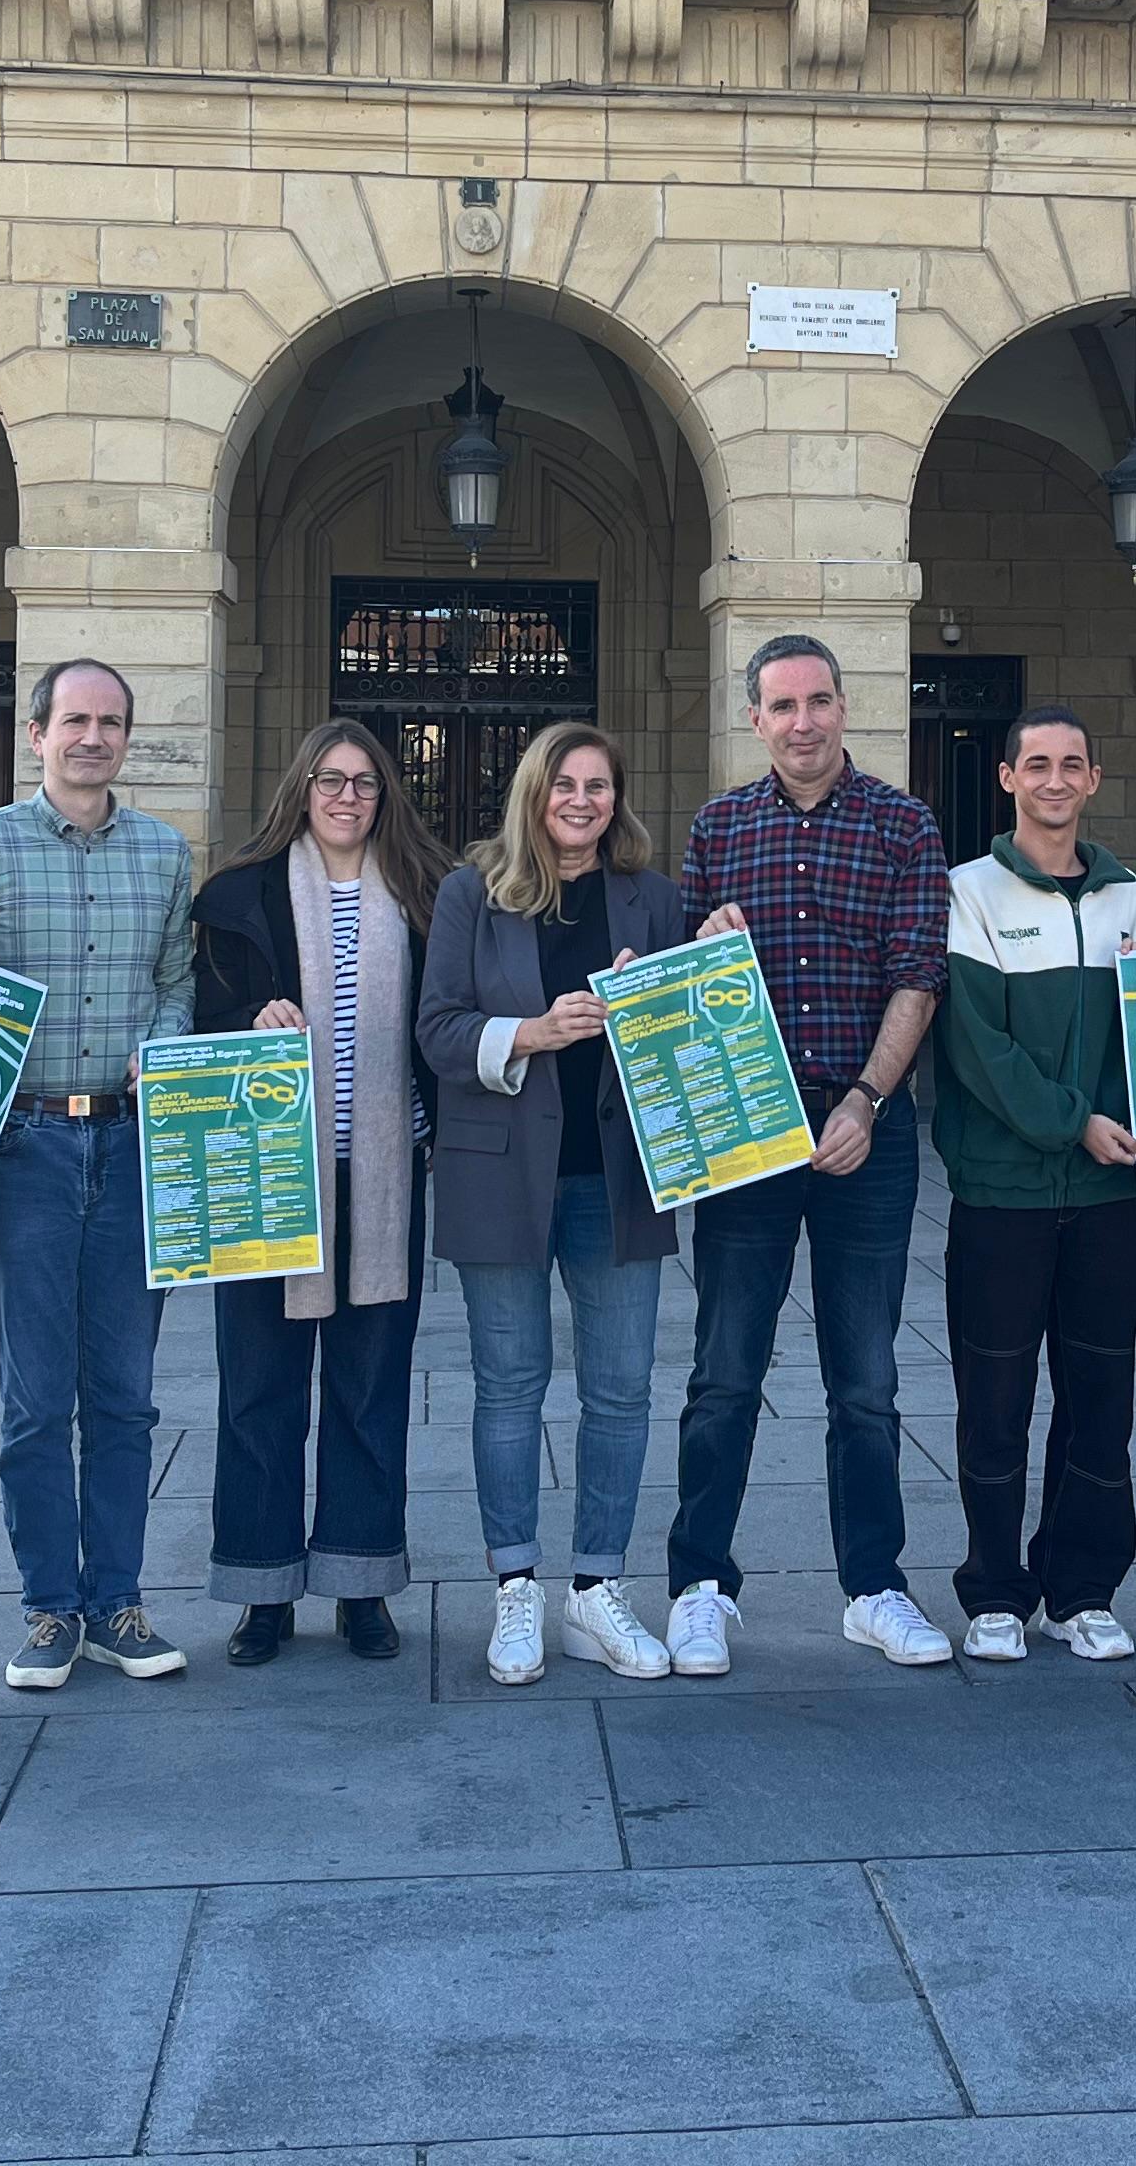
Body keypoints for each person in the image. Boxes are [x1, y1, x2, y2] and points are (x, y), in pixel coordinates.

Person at [665, 634, 956, 1673]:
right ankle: (700, 1586)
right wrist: (701, 951)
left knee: (865, 1381)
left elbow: (918, 974)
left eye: (819, 701)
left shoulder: (903, 824)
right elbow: (680, 988)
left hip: (862, 1128)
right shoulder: (718, 827)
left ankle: (873, 1587)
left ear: (844, 706)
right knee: (724, 1372)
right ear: (755, 718)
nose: (803, 722)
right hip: (746, 1135)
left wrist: (868, 1101)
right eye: (783, 705)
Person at [0, 656, 196, 1688]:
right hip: (22, 1149)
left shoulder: (165, 852)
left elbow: (176, 980)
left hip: (131, 1145)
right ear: (35, 733)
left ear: (126, 737)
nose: (93, 738)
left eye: (110, 722)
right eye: (74, 720)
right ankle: (49, 1607)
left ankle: (118, 1603)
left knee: (125, 1399)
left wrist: (163, 1043)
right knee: (36, 1402)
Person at [417, 719, 690, 1685]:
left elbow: (689, 1026)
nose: (582, 801)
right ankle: (517, 1586)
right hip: (500, 1171)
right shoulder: (472, 890)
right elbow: (438, 1031)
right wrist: (532, 1032)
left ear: (617, 799)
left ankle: (597, 1588)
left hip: (618, 1176)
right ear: (534, 791)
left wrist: (684, 982)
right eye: (565, 784)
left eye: (598, 786)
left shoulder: (654, 897)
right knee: (509, 1386)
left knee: (621, 1389)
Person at [190, 719, 446, 1667]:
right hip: (267, 1173)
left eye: (366, 782)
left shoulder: (424, 892)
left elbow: (448, 1019)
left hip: (383, 1175)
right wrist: (245, 1020)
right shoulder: (238, 894)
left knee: (369, 1385)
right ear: (301, 789)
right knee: (258, 1389)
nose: (347, 797)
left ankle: (360, 1581)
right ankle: (261, 1591)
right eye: (331, 780)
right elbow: (196, 1016)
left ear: (386, 796)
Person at [932, 708, 1136, 1663]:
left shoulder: (1127, 897)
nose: (1055, 780)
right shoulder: (968, 892)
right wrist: (1076, 1122)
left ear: (1094, 779)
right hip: (1002, 1195)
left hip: (1106, 1197)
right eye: (1038, 765)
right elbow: (979, 1051)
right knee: (994, 1402)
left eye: (1072, 764)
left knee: (1100, 1401)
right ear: (1008, 778)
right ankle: (995, 1591)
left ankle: (1081, 1591)